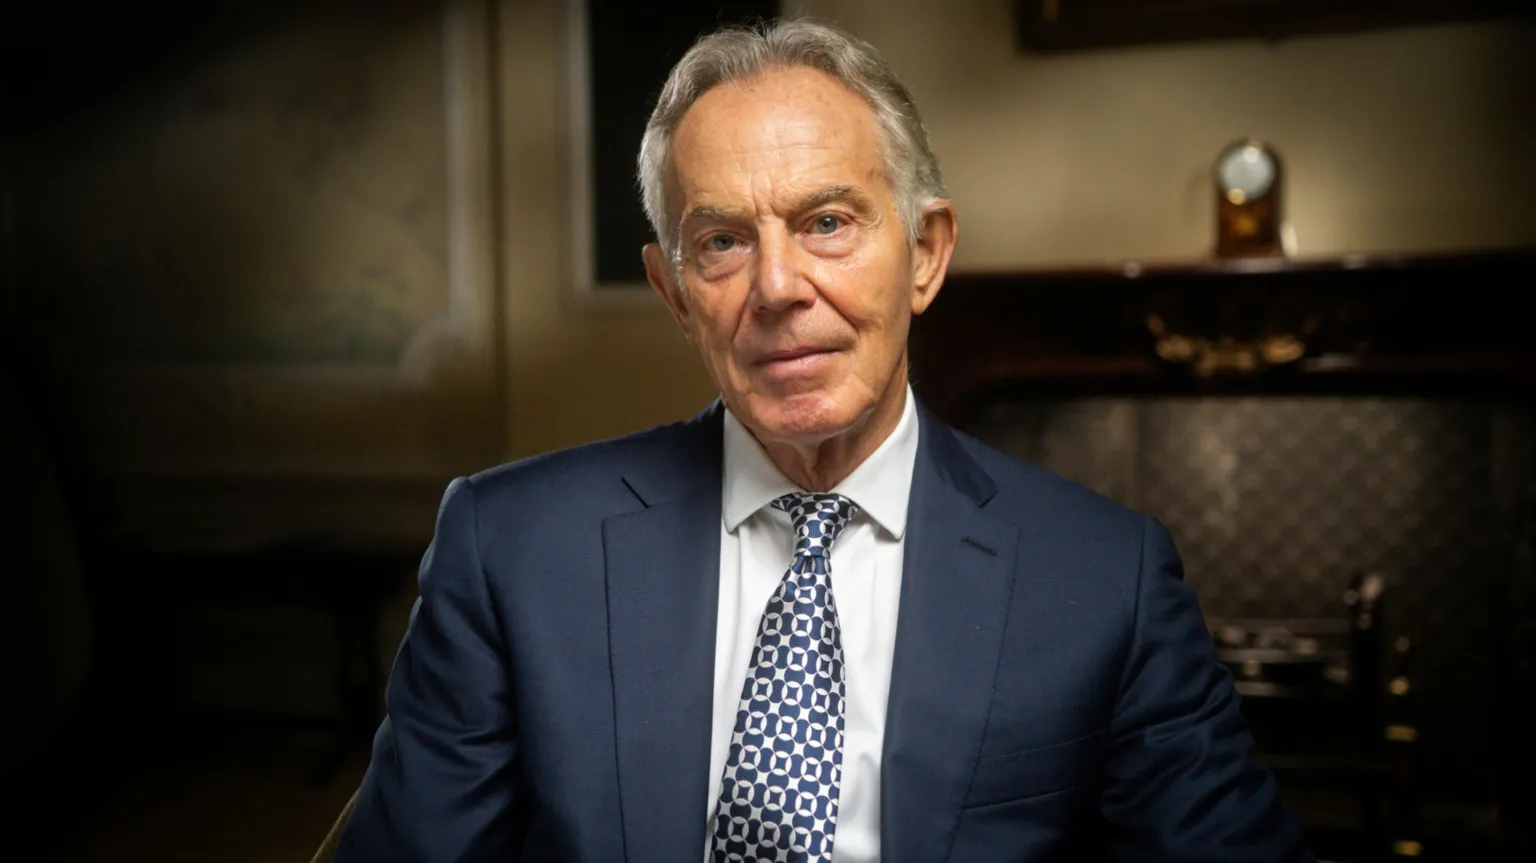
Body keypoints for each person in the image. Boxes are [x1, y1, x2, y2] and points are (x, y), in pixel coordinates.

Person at [333, 17, 1312, 863]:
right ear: (674, 292)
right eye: (720, 241)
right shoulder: (509, 548)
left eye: (828, 222)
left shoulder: (1104, 579)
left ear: (926, 254)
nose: (777, 287)